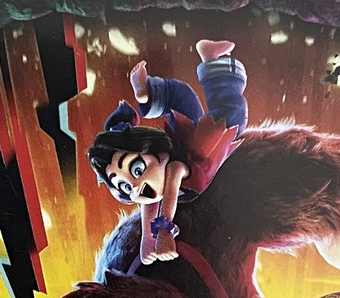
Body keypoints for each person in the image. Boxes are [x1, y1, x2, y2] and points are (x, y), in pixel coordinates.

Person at [86, 39, 248, 264]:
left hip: (203, 147)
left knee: (234, 115)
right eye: (124, 186)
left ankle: (157, 90)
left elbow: (168, 200)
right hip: (190, 141)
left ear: (158, 154)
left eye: (137, 169)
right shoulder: (152, 187)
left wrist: (164, 234)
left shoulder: (174, 168)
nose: (134, 186)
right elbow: (150, 203)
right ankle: (203, 61)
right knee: (184, 98)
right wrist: (146, 242)